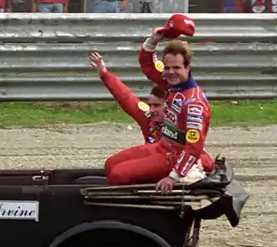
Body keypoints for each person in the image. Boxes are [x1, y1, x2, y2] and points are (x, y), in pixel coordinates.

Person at [104, 14, 212, 193]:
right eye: (167, 67)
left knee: (118, 175)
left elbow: (194, 147)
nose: (170, 72)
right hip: (161, 147)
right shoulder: (172, 84)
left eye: (176, 68)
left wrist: (173, 177)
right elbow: (148, 66)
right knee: (110, 165)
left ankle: (189, 173)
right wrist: (153, 41)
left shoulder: (194, 104)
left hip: (174, 157)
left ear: (188, 68)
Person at [88, 50, 213, 178]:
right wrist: (104, 74)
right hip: (155, 156)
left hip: (173, 160)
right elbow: (126, 98)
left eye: (157, 105)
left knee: (118, 174)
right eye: (150, 105)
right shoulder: (148, 118)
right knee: (110, 165)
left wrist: (192, 166)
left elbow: (200, 152)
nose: (152, 110)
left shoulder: (183, 115)